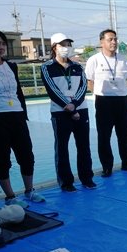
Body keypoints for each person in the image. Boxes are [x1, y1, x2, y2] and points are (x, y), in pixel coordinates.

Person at [41, 33, 96, 192]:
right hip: (60, 112)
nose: (66, 48)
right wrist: (69, 107)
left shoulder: (77, 66)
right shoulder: (47, 67)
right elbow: (52, 90)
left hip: (81, 110)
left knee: (84, 146)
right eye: (62, 45)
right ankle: (66, 183)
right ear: (54, 48)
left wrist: (74, 105)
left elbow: (82, 88)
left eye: (68, 44)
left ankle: (87, 178)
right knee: (62, 148)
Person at [0, 30, 46, 207]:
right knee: (2, 159)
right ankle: (10, 197)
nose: (0, 47)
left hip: (17, 116)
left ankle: (29, 191)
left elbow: (18, 92)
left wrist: (23, 114)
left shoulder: (11, 66)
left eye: (2, 43)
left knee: (26, 155)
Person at [85, 29, 127, 178]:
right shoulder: (94, 60)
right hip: (103, 101)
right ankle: (107, 167)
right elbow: (90, 81)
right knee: (104, 136)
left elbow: (126, 78)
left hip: (122, 99)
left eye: (115, 39)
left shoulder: (123, 59)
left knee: (125, 134)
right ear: (101, 42)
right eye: (110, 39)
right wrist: (97, 94)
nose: (114, 42)